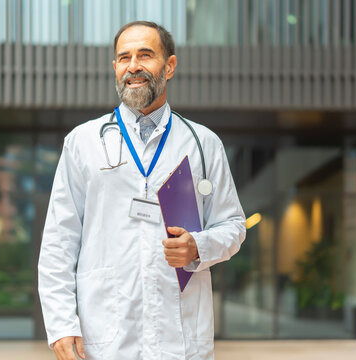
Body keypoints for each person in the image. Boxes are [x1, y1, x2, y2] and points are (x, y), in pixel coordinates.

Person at [38, 21, 246, 360]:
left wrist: (199, 246)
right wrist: (61, 324)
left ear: (170, 66)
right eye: (124, 58)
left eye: (145, 55)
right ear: (115, 67)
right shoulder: (83, 142)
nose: (133, 66)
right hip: (105, 335)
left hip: (180, 338)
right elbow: (59, 243)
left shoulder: (203, 143)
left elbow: (233, 226)